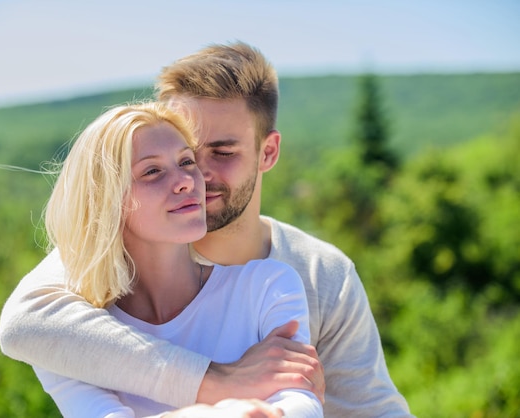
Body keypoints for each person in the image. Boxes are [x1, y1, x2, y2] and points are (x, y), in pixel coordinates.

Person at [0, 41, 412, 416]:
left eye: (223, 151)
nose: (195, 174)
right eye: (184, 153)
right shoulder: (110, 260)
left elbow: (372, 410)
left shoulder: (319, 275)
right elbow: (24, 325)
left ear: (267, 152)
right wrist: (217, 384)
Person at [28, 101, 322, 417]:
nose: (187, 180)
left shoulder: (267, 286)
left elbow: (301, 403)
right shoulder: (72, 337)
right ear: (106, 200)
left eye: (186, 161)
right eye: (152, 171)